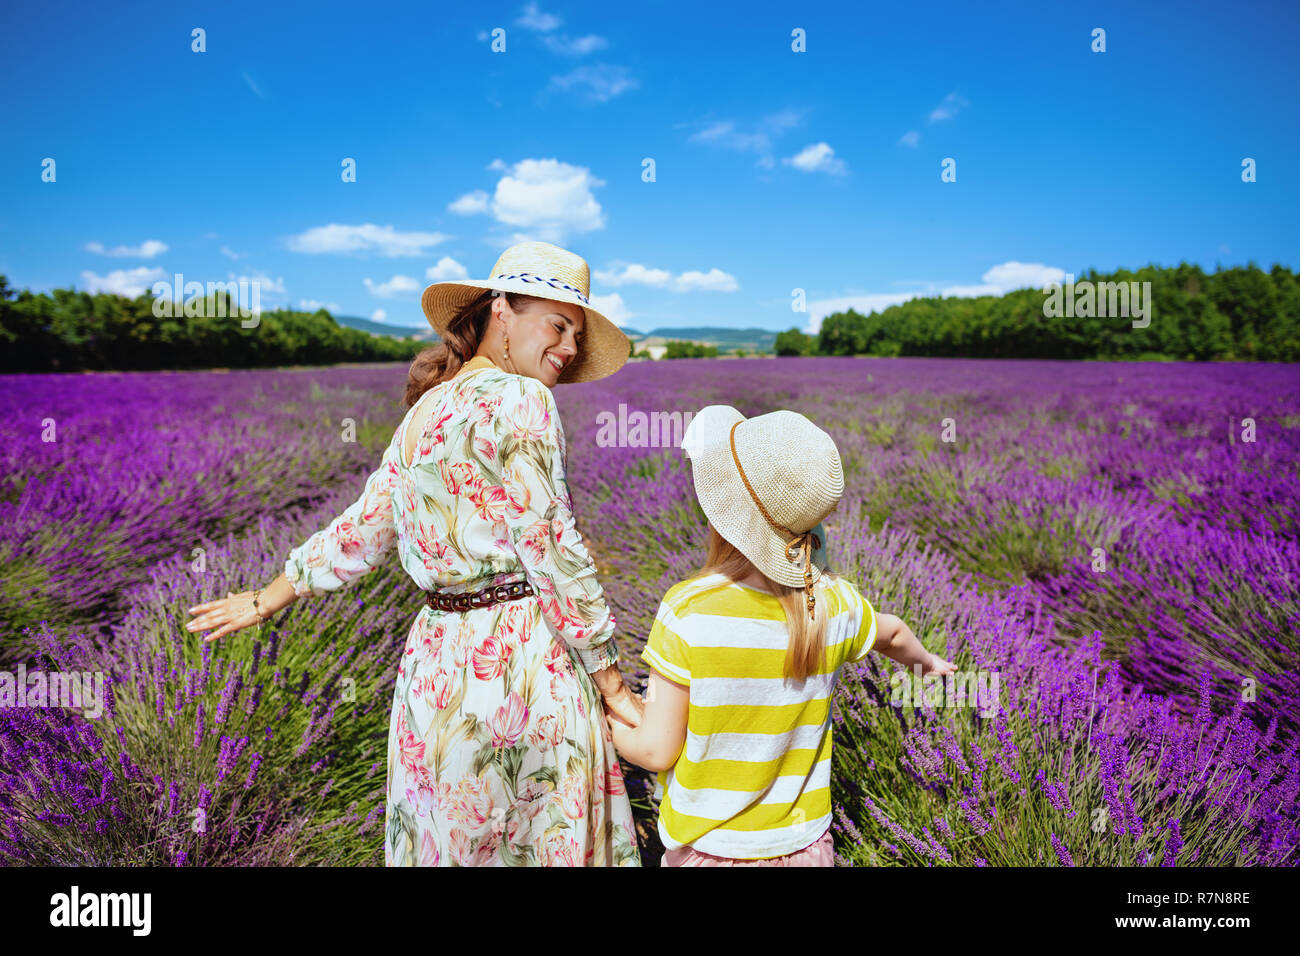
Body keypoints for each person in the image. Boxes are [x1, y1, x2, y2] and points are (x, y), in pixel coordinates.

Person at [186, 240, 645, 866]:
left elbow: (365, 529)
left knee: (454, 842)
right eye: (558, 325)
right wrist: (614, 685)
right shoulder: (524, 400)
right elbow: (552, 546)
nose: (568, 348)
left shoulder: (427, 410)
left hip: (435, 669)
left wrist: (270, 596)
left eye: (576, 334)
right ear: (501, 310)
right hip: (518, 661)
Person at [607, 405, 957, 866]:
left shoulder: (688, 611)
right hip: (805, 847)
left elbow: (656, 749)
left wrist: (610, 723)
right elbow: (891, 633)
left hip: (711, 850)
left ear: (722, 516)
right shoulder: (835, 605)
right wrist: (926, 662)